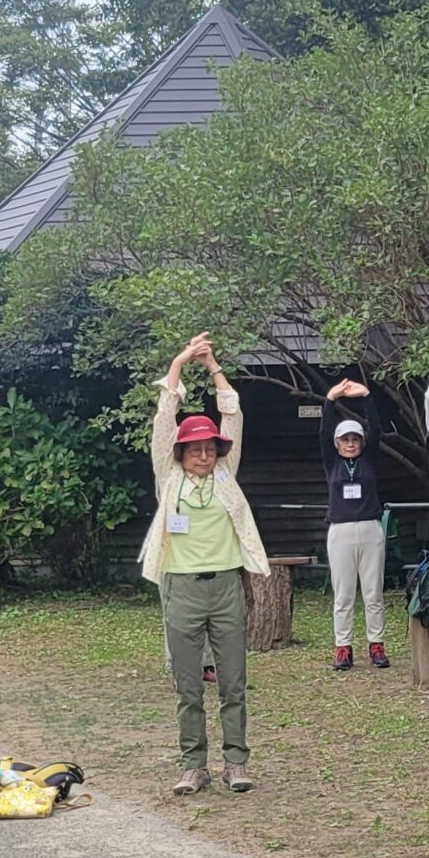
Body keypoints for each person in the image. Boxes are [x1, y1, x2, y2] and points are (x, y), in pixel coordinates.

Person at [141, 334, 267, 795]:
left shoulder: (226, 477)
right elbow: (164, 420)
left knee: (233, 682)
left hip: (226, 586)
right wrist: (178, 364)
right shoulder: (169, 477)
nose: (203, 454)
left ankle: (236, 762)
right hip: (181, 588)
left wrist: (213, 366)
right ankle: (193, 765)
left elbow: (232, 413)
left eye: (210, 448)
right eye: (194, 448)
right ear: (180, 452)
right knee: (188, 686)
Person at [320, 379, 390, 671]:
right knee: (344, 594)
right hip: (341, 531)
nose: (350, 444)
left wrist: (367, 397)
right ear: (337, 444)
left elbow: (376, 430)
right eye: (345, 440)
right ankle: (343, 648)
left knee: (373, 592)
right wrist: (330, 400)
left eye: (355, 439)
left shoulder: (369, 460)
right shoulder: (332, 463)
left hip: (370, 528)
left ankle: (376, 645)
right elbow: (324, 431)